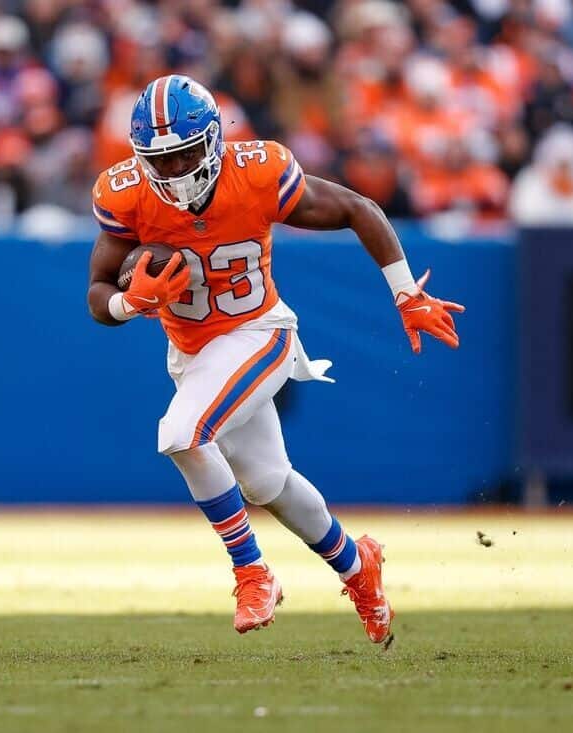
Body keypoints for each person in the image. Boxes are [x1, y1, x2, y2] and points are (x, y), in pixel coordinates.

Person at [86, 76, 464, 644]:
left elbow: (359, 209)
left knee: (182, 434)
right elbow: (96, 293)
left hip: (259, 331)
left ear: (213, 140)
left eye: (186, 153)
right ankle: (359, 567)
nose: (176, 171)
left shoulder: (258, 171)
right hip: (192, 352)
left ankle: (252, 570)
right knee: (268, 484)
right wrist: (128, 301)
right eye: (161, 161)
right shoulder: (126, 195)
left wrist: (406, 293)